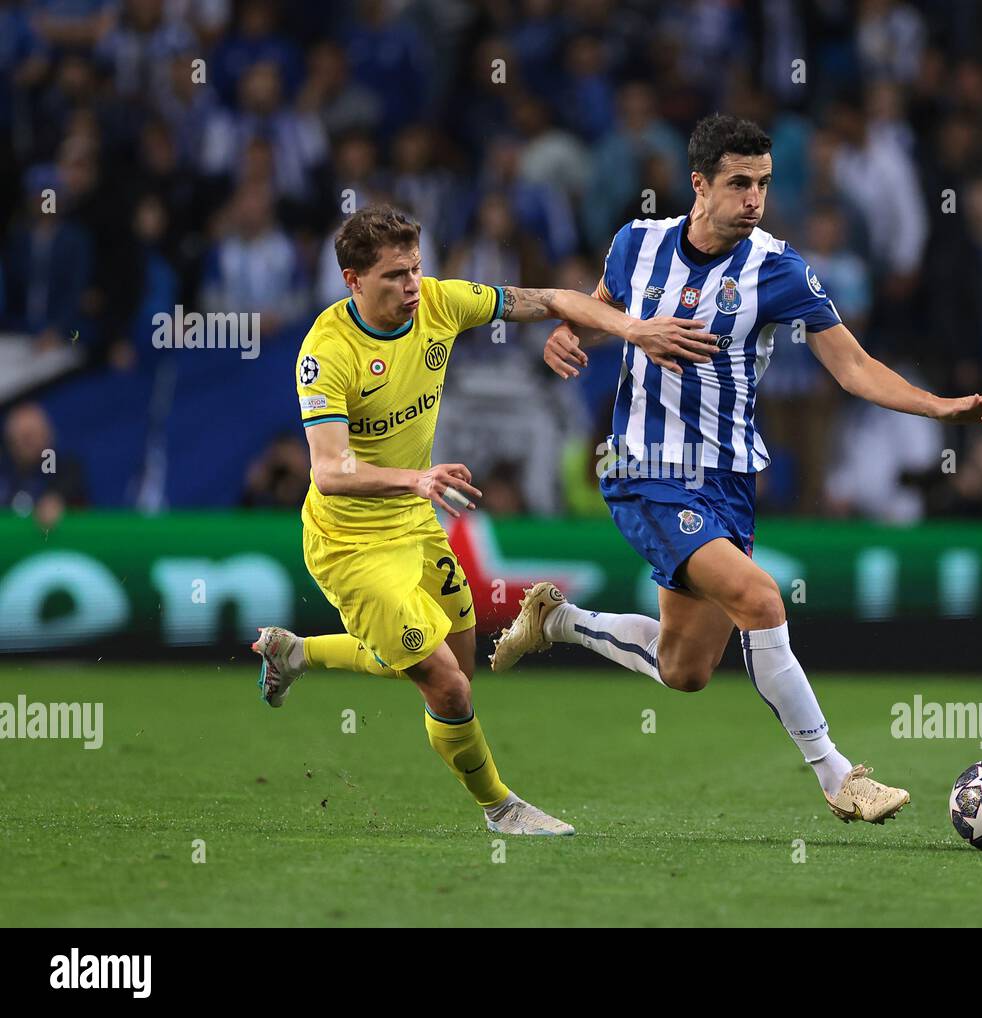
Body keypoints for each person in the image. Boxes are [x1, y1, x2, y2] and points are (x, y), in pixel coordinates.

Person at [490, 114, 982, 825]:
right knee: (762, 601)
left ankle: (558, 622)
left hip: (728, 481)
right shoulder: (635, 244)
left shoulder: (778, 268)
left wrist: (938, 407)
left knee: (685, 669)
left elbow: (854, 368)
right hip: (644, 469)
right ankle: (838, 777)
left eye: (763, 184)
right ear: (699, 184)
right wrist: (566, 331)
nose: (754, 200)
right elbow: (600, 305)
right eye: (739, 184)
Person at [251, 204, 706, 836]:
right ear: (352, 281)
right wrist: (417, 478)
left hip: (413, 522)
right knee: (448, 688)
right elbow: (329, 469)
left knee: (455, 669)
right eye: (392, 277)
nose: (411, 287)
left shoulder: (440, 303)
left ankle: (297, 652)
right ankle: (501, 808)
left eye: (415, 269)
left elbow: (547, 297)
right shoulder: (326, 352)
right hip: (350, 542)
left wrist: (633, 330)